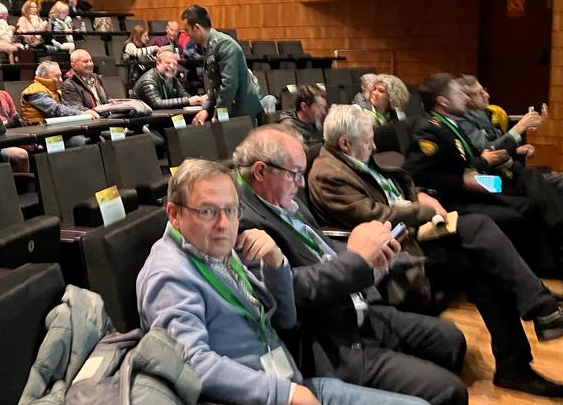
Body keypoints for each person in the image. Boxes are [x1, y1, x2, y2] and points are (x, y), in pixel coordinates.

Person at [307, 104, 563, 397]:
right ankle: (541, 317)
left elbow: (398, 183)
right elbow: (371, 213)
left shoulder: (354, 159)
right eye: (367, 140)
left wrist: (418, 195)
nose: (374, 144)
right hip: (396, 250)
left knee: (486, 266)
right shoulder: (328, 174)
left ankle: (517, 360)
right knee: (479, 229)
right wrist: (421, 210)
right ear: (345, 143)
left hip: (415, 234)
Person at [136, 158, 428, 405]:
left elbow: (284, 319)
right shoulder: (169, 275)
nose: (224, 224)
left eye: (231, 210)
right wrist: (284, 394)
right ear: (174, 214)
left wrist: (276, 263)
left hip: (290, 379)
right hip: (265, 396)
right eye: (208, 211)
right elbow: (190, 363)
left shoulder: (216, 248)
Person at [232, 127, 470, 404]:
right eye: (295, 174)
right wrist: (358, 259)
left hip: (358, 308)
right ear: (261, 172)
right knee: (450, 391)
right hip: (331, 339)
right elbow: (289, 289)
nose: (300, 184)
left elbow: (321, 247)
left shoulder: (285, 199)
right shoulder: (242, 223)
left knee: (451, 341)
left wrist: (374, 253)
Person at [405, 73, 563, 280]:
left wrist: (484, 162)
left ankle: (552, 261)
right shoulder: (429, 130)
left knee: (529, 196)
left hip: (476, 184)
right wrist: (462, 180)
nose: (466, 98)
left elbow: (464, 163)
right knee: (521, 210)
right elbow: (417, 175)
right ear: (443, 101)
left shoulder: (450, 124)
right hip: (453, 198)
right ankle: (537, 269)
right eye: (460, 94)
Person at [457, 76, 563, 249]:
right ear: (467, 98)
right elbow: (487, 149)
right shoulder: (463, 120)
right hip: (491, 178)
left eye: (484, 89)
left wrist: (518, 149)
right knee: (562, 182)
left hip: (507, 170)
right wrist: (520, 127)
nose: (486, 95)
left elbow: (501, 145)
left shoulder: (484, 114)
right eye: (479, 93)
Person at [182, 5, 262, 125]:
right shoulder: (209, 47)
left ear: (197, 28)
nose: (187, 35)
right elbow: (214, 86)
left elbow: (229, 84)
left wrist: (219, 113)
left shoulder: (224, 45)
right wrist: (206, 110)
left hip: (242, 111)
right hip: (232, 109)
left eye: (187, 30)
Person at [20, 60, 98, 125]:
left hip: (54, 128)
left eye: (61, 76)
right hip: (38, 131)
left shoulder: (56, 91)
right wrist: (81, 114)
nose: (61, 80)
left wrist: (84, 111)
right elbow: (56, 109)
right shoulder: (35, 91)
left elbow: (68, 107)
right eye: (57, 76)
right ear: (44, 76)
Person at [132, 49, 202, 109]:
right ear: (158, 64)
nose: (172, 66)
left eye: (174, 64)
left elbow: (185, 95)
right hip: (144, 120)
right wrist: (188, 101)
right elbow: (157, 103)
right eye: (168, 63)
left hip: (162, 116)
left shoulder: (173, 79)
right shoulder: (148, 79)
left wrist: (199, 99)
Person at [276, 84, 326, 149]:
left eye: (324, 107)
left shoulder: (318, 122)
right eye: (319, 107)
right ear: (304, 106)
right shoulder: (288, 128)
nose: (323, 112)